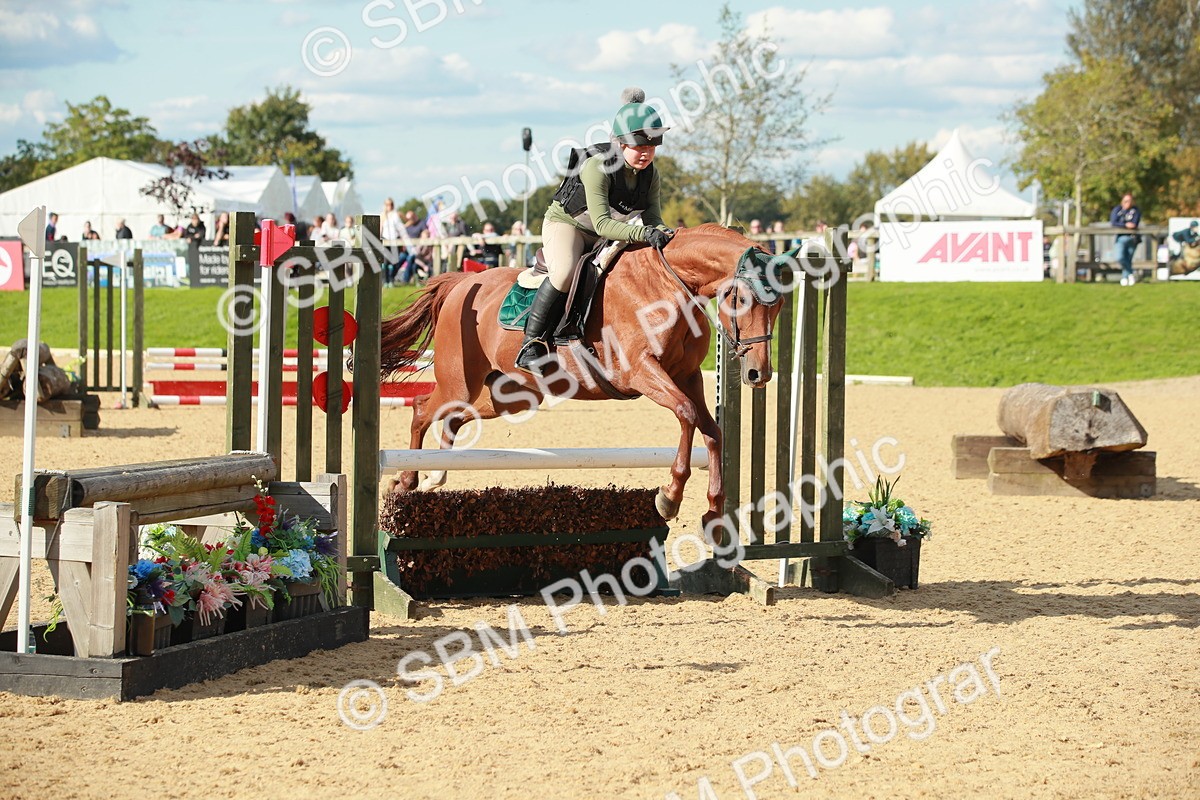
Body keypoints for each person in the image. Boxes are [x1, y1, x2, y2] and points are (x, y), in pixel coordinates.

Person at [516, 87, 673, 375]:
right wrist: (644, 234)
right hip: (569, 225)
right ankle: (531, 344)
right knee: (564, 272)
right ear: (621, 144)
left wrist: (665, 233)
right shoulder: (597, 167)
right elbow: (602, 224)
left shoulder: (650, 174)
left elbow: (652, 217)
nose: (647, 153)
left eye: (652, 147)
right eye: (640, 146)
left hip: (604, 232)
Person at [1110, 193, 1141, 286]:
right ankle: (1131, 273)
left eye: (1130, 201)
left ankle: (1124, 279)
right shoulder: (1118, 210)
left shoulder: (1136, 210)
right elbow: (1114, 222)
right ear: (1122, 201)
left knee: (1128, 259)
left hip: (1133, 238)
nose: (1128, 203)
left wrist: (1130, 225)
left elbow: (1134, 223)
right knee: (1120, 257)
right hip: (1121, 237)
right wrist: (1125, 225)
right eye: (1126, 201)